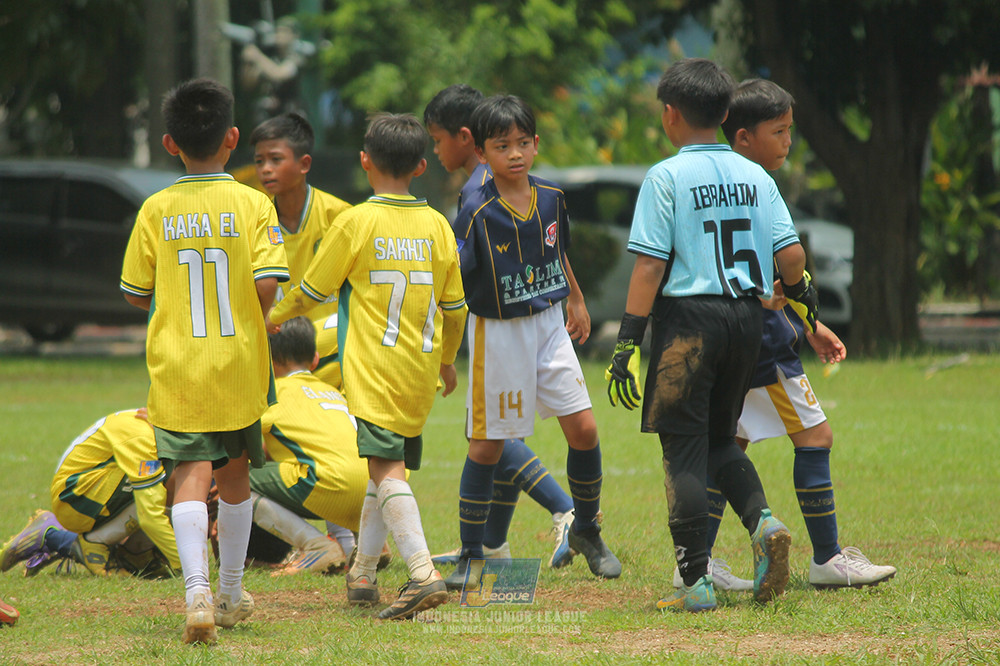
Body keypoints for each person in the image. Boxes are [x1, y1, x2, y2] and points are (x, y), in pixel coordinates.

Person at [605, 58, 815, 612]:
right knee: (721, 439)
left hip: (689, 324)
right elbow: (792, 257)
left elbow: (649, 267)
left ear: (670, 114)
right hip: (747, 322)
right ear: (725, 115)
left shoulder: (666, 176)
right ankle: (763, 521)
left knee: (682, 448)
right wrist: (804, 295)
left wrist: (626, 343)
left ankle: (695, 582)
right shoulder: (757, 176)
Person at [267, 112, 467, 620]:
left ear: (364, 161)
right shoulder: (438, 226)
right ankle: (362, 574)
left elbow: (311, 291)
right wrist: (447, 362)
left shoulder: (355, 222)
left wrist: (272, 316)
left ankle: (421, 573)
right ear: (421, 166)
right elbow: (457, 308)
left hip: (375, 371)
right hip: (420, 369)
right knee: (383, 469)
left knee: (386, 468)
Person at [699, 77, 895, 590]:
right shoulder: (759, 186)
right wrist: (798, 309)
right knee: (815, 436)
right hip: (763, 343)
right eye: (779, 131)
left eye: (790, 130)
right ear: (744, 137)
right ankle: (827, 559)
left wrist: (811, 324)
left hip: (721, 332)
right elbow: (790, 261)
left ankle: (695, 564)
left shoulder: (709, 183)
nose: (788, 141)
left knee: (730, 443)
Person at [120, 78, 290, 644]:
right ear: (232, 138)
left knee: (188, 478)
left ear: (170, 143)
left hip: (178, 366)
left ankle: (197, 593)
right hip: (239, 362)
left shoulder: (156, 208)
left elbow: (135, 293)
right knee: (235, 478)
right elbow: (267, 285)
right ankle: (232, 594)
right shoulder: (254, 203)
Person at [447, 94, 621, 591]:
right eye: (502, 146)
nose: (515, 154)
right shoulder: (476, 209)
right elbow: (454, 273)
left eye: (523, 143)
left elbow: (558, 250)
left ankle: (586, 530)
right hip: (499, 332)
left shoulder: (552, 196)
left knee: (584, 429)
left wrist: (577, 299)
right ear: (482, 152)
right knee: (487, 445)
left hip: (548, 325)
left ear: (536, 144)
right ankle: (471, 555)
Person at [423, 84, 576, 569]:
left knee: (488, 436)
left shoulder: (479, 192)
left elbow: (455, 275)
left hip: (507, 327)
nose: (435, 150)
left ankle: (565, 510)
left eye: (438, 139)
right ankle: (492, 544)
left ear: (466, 138)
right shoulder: (495, 185)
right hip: (525, 324)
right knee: (497, 434)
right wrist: (574, 296)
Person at [247, 316, 370, 576]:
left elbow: (243, 439)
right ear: (315, 360)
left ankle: (316, 546)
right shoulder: (332, 391)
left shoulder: (274, 392)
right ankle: (367, 546)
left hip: (330, 486)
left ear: (267, 360)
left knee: (237, 484)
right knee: (327, 462)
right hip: (373, 494)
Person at [0, 409, 179, 579]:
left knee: (174, 478)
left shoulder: (164, 429)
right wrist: (188, 565)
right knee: (167, 480)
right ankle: (89, 542)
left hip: (93, 491)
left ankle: (133, 554)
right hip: (74, 498)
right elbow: (150, 513)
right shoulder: (143, 436)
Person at [250, 112, 351, 391]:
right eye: (259, 161)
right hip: (279, 362)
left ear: (304, 163)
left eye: (275, 159)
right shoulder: (254, 222)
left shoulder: (341, 218)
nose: (265, 169)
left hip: (336, 358)